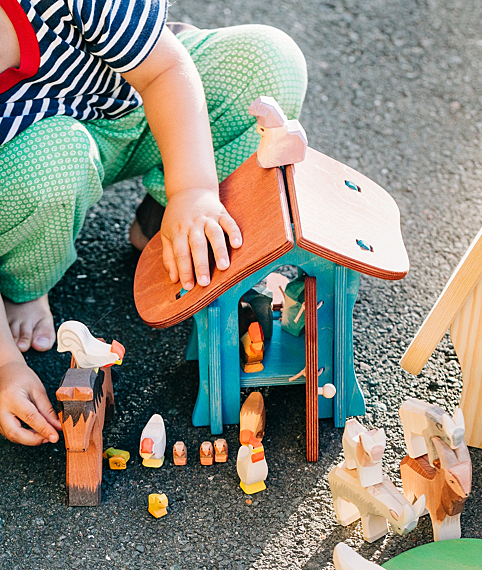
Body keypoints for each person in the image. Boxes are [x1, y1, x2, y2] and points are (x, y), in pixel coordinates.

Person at [0, 0, 307, 445]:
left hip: (137, 99)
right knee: (52, 168)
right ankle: (24, 278)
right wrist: (6, 365)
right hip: (36, 160)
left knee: (269, 62)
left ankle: (166, 221)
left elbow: (165, 73)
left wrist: (193, 192)